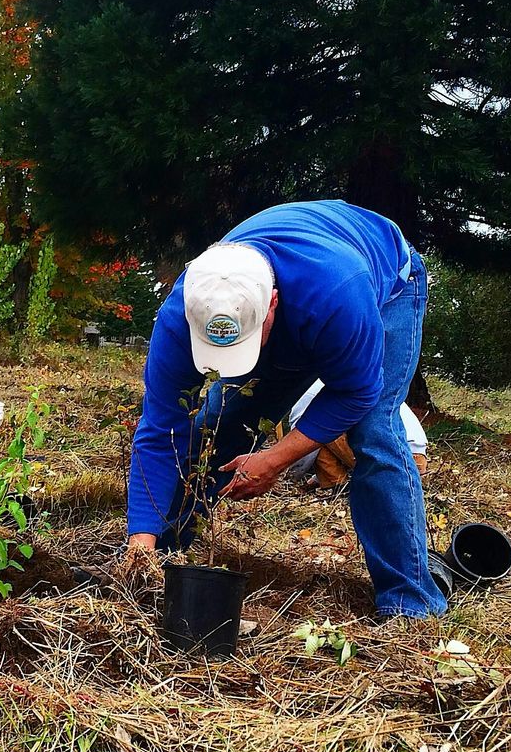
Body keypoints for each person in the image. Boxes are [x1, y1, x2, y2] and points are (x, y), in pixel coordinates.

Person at [126, 200, 445, 619]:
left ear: (271, 304)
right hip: (303, 308)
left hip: (385, 285)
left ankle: (411, 602)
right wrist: (140, 548)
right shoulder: (186, 309)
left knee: (373, 432)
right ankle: (166, 553)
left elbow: (355, 393)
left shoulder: (337, 296)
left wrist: (274, 459)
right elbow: (159, 430)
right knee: (219, 423)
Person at [279, 379, 428, 489]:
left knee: (321, 430)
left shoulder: (310, 396)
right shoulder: (346, 381)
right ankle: (338, 485)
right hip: (416, 462)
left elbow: (303, 445)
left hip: (391, 461)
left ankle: (337, 485)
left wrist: (289, 476)